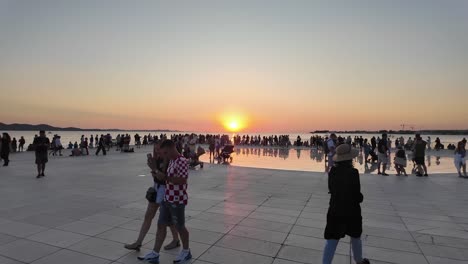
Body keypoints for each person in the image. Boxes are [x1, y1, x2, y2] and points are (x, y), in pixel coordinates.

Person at [139, 139, 192, 264]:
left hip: (177, 200)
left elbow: (182, 180)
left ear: (172, 149)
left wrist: (166, 177)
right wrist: (154, 169)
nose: (163, 155)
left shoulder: (182, 161)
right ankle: (155, 254)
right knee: (161, 224)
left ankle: (186, 252)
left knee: (180, 226)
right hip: (167, 198)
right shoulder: (172, 160)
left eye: (165, 152)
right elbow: (161, 178)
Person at [125, 141, 180, 251]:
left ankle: (176, 240)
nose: (157, 151)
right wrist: (153, 169)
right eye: (155, 149)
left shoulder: (168, 160)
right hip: (157, 189)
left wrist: (154, 169)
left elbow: (163, 179)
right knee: (148, 216)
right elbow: (157, 178)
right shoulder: (158, 159)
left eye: (159, 148)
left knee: (168, 220)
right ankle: (138, 242)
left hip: (165, 191)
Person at [322, 144, 370, 264]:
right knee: (355, 236)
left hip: (335, 208)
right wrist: (360, 198)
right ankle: (359, 260)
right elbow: (356, 193)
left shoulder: (332, 171)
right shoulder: (353, 172)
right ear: (350, 158)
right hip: (351, 210)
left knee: (332, 239)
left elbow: (331, 189)